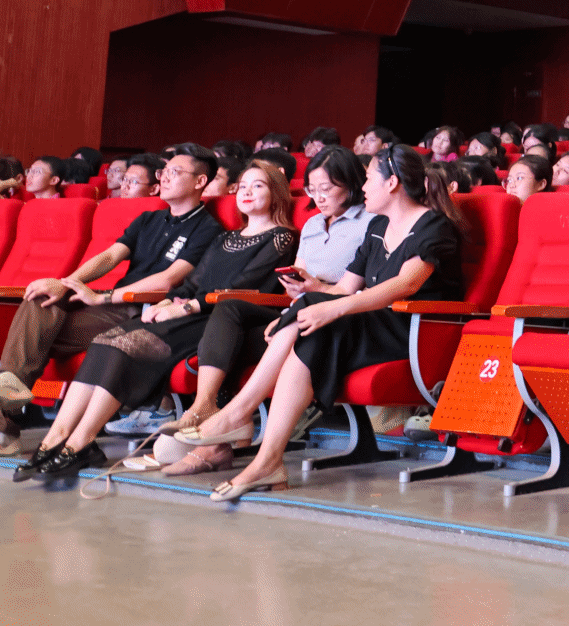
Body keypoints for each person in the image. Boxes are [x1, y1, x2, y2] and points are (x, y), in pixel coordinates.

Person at [178, 147, 466, 501]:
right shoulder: (378, 226)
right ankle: (267, 461)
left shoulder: (434, 225)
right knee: (309, 333)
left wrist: (328, 309)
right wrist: (302, 307)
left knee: (315, 317)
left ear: (392, 183)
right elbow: (344, 288)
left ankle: (238, 414)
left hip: (410, 330)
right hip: (367, 323)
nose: (363, 187)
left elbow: (404, 285)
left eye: (369, 179)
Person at [15, 165, 297, 481]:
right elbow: (194, 282)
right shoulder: (226, 237)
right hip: (190, 312)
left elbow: (244, 286)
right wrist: (167, 302)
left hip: (219, 321)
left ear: (276, 194)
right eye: (242, 185)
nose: (246, 192)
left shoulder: (281, 237)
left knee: (126, 345)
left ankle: (79, 442)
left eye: (258, 186)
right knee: (105, 340)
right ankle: (56, 438)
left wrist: (185, 307)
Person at [0, 148, 218, 454]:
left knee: (34, 339)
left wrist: (103, 296)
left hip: (142, 312)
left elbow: (168, 280)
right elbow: (109, 257)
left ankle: (4, 423)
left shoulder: (208, 229)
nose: (165, 178)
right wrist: (65, 284)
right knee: (42, 298)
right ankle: (9, 391)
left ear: (200, 181)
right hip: (109, 306)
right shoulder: (150, 218)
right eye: (164, 172)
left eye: (175, 172)